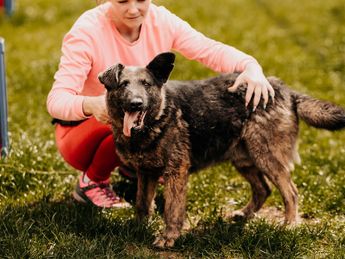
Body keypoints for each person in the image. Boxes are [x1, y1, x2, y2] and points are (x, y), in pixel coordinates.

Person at [46, 0, 275, 208]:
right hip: (82, 132)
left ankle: (134, 168)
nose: (134, 9)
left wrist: (250, 65)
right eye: (122, 1)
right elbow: (57, 100)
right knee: (123, 113)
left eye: (141, 0)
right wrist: (92, 104)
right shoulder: (87, 30)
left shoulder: (160, 20)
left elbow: (209, 50)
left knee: (161, 110)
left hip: (136, 124)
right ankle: (92, 181)